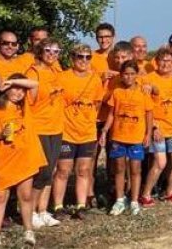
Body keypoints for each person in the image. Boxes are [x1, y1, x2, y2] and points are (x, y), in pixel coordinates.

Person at [0, 74, 45, 248]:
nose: (19, 93)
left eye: (22, 90)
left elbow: (34, 84)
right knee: (0, 196)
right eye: (15, 89)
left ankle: (28, 230)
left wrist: (14, 82)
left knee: (26, 195)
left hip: (25, 159)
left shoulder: (26, 107)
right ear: (5, 89)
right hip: (2, 160)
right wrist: (0, 135)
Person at [53, 44, 105, 219]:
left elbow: (97, 103)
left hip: (87, 132)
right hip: (67, 132)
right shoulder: (62, 77)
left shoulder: (95, 79)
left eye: (87, 57)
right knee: (63, 170)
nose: (83, 60)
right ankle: (58, 206)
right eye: (79, 56)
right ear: (72, 58)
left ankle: (81, 205)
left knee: (83, 170)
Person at [100, 60, 153, 216]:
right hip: (118, 135)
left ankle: (135, 200)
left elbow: (149, 114)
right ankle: (119, 200)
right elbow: (111, 114)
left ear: (136, 75)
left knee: (135, 169)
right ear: (121, 75)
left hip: (136, 137)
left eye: (132, 74)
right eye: (126, 74)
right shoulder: (116, 92)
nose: (129, 77)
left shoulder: (143, 93)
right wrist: (104, 131)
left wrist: (148, 134)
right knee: (119, 168)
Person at [24, 39, 64, 229]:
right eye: (48, 50)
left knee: (51, 172)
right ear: (40, 51)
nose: (52, 54)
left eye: (56, 51)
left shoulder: (56, 71)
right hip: (39, 128)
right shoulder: (33, 72)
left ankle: (42, 210)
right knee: (42, 171)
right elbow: (27, 103)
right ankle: (29, 211)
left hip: (56, 127)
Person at [141, 47, 172, 205]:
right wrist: (153, 127)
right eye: (162, 60)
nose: (165, 64)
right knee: (160, 163)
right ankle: (146, 194)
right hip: (158, 128)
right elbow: (146, 108)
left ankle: (169, 191)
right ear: (156, 62)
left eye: (169, 61)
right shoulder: (149, 79)